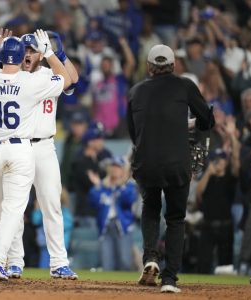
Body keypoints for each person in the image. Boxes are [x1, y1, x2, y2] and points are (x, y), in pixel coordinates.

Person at [0, 28, 71, 280]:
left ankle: (7, 260)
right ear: (21, 56)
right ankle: (0, 259)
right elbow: (65, 79)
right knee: (12, 210)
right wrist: (51, 52)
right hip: (18, 149)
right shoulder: (31, 82)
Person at [126, 44, 214, 293]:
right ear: (173, 66)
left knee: (151, 208)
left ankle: (150, 258)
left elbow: (134, 133)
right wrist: (186, 125)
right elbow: (207, 119)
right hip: (177, 162)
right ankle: (169, 279)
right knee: (176, 218)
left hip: (147, 163)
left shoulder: (135, 91)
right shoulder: (185, 85)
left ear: (149, 67)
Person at [5, 31, 78, 279]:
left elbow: (73, 80)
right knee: (15, 208)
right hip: (19, 146)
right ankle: (15, 262)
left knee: (52, 205)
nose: (28, 54)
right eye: (25, 50)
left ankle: (58, 263)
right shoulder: (11, 77)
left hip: (45, 147)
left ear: (39, 54)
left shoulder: (50, 74)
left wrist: (55, 52)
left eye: (32, 50)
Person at [88, 156, 138, 271]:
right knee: (107, 263)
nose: (115, 169)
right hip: (105, 227)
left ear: (123, 169)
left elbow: (129, 200)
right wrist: (97, 186)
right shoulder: (102, 186)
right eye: (113, 166)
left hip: (123, 227)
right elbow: (92, 202)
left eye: (118, 167)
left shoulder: (128, 185)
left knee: (125, 261)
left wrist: (121, 185)